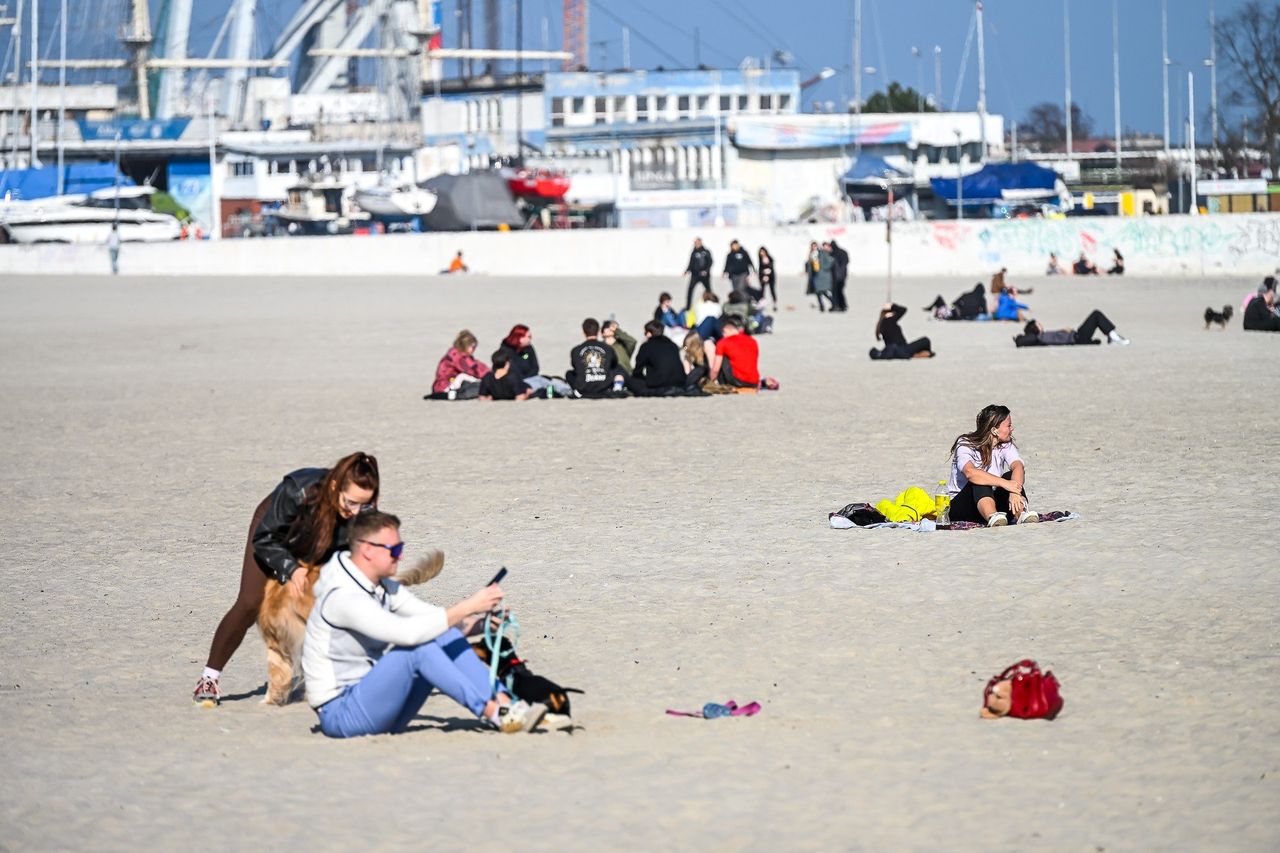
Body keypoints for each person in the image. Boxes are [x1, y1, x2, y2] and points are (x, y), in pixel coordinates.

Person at [302, 511, 546, 737]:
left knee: (443, 632)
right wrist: (470, 605)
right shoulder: (343, 598)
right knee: (418, 649)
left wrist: (480, 625)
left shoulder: (381, 585)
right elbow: (408, 634)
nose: (402, 556)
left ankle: (508, 704)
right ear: (368, 550)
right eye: (395, 550)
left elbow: (433, 620)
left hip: (375, 705)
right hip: (341, 714)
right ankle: (494, 712)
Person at [194, 452, 380, 706]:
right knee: (250, 602)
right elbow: (265, 538)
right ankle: (209, 677)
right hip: (275, 532)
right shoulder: (299, 491)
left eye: (364, 504)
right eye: (350, 502)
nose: (356, 511)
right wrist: (291, 569)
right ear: (336, 485)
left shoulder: (361, 510)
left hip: (322, 539)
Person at [946, 404, 1038, 528]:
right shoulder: (965, 443)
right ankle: (992, 516)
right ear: (994, 430)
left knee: (1011, 475)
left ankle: (1020, 514)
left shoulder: (1005, 444)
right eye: (1009, 425)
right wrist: (1005, 484)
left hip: (988, 500)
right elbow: (970, 472)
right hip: (961, 506)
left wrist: (1014, 491)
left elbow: (1018, 466)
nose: (1012, 429)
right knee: (979, 479)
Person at [567, 318, 624, 397]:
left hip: (584, 387)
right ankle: (617, 387)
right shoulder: (608, 348)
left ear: (584, 333)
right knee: (618, 368)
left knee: (569, 374)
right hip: (604, 386)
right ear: (598, 332)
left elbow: (575, 366)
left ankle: (577, 392)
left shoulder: (576, 350)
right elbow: (614, 363)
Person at [628, 320, 687, 395]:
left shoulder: (646, 346)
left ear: (649, 334)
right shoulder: (673, 345)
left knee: (632, 381)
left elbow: (638, 369)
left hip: (659, 384)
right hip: (680, 383)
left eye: (645, 333)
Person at [1014, 311, 1130, 347]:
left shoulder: (1043, 335)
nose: (1041, 325)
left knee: (1095, 315)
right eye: (1038, 324)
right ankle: (1112, 336)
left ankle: (1111, 336)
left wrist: (1063, 330)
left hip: (1077, 337)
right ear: (1035, 328)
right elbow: (1022, 341)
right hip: (1077, 337)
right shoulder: (1039, 336)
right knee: (1096, 315)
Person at [432, 330, 490, 398]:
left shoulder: (460, 354)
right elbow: (470, 370)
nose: (474, 349)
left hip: (448, 383)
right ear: (465, 346)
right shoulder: (457, 356)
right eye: (473, 347)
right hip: (445, 385)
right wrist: (487, 376)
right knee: (463, 376)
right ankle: (485, 384)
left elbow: (475, 365)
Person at [869, 303, 934, 360]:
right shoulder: (889, 321)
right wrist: (891, 305)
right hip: (903, 349)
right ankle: (916, 355)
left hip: (897, 350)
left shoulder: (882, 324)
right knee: (926, 340)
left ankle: (917, 354)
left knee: (922, 346)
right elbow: (903, 310)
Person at [711, 315, 760, 388]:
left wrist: (710, 381)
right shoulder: (753, 341)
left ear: (726, 329)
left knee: (723, 357)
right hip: (754, 382)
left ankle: (723, 383)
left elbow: (716, 368)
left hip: (738, 381)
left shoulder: (723, 342)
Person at [683, 238, 714, 311]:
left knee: (708, 291)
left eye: (697, 243)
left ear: (700, 243)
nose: (696, 244)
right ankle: (688, 307)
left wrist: (706, 271)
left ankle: (712, 304)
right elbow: (691, 263)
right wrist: (687, 270)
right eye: (695, 243)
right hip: (695, 275)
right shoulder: (693, 252)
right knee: (690, 290)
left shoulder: (706, 251)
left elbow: (710, 262)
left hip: (704, 275)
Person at [813, 243, 835, 312]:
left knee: (821, 292)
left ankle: (831, 304)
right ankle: (823, 306)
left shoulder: (821, 254)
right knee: (820, 292)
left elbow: (828, 263)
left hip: (822, 276)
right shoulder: (818, 254)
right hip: (820, 276)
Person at [829, 239, 850, 311]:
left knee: (835, 292)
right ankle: (843, 305)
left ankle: (837, 306)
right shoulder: (843, 252)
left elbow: (831, 265)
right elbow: (847, 261)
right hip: (843, 275)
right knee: (840, 291)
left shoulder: (833, 254)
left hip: (835, 276)